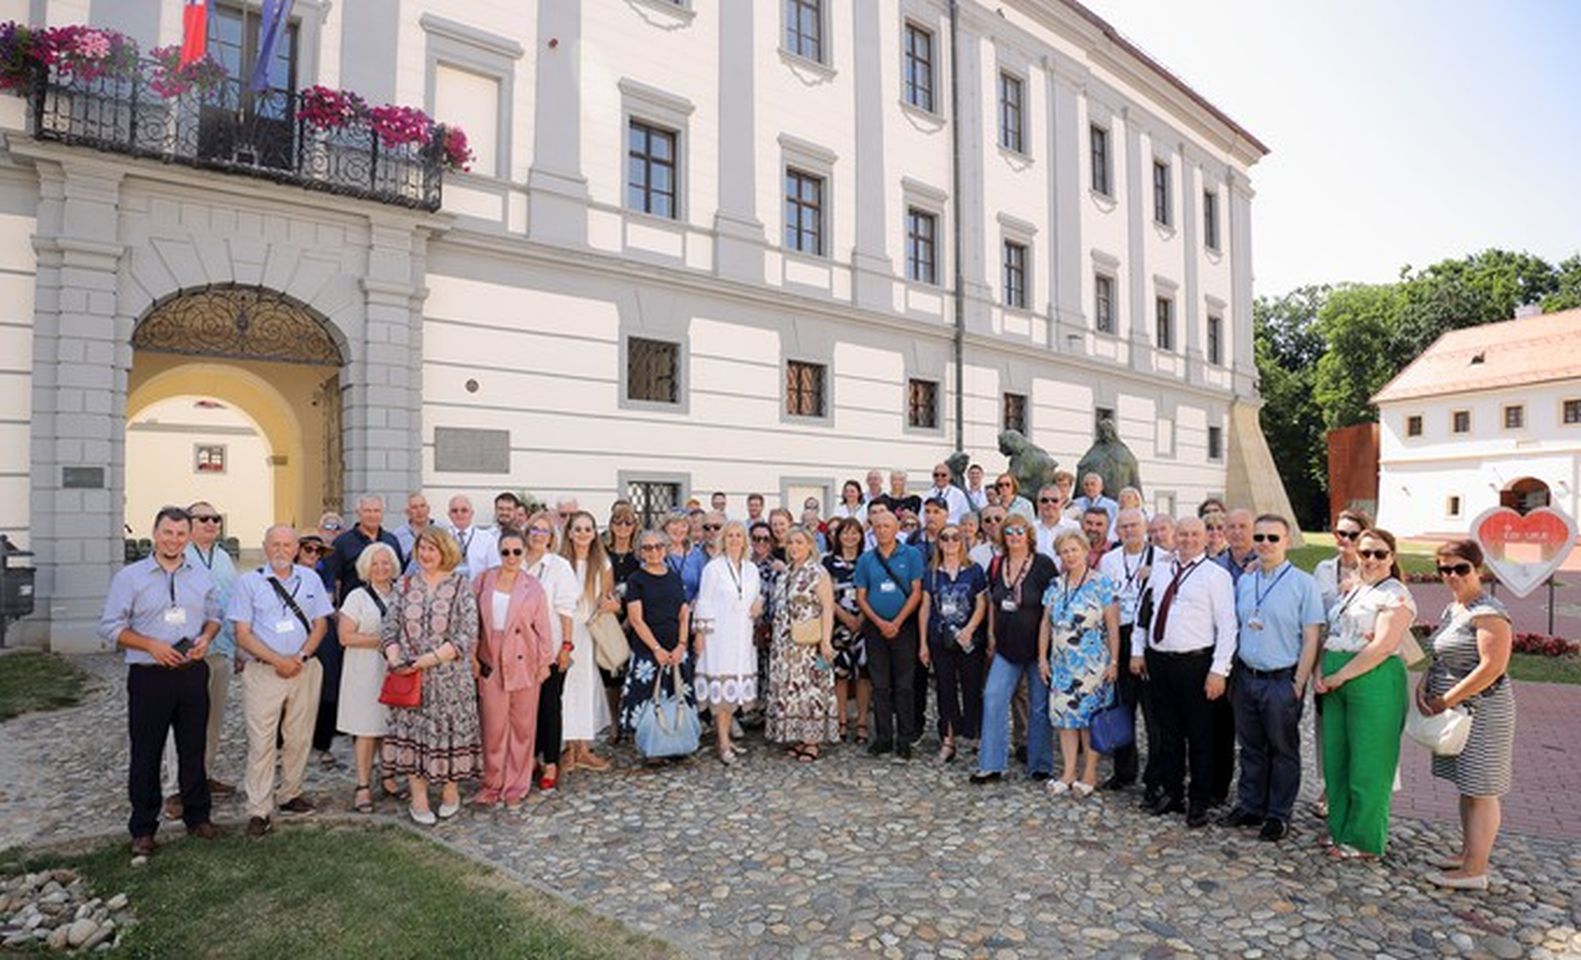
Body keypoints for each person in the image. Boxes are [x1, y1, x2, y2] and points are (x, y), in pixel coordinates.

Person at [99, 506, 222, 855]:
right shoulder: (130, 577)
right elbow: (109, 626)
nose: (174, 540)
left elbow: (214, 616)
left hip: (191, 673)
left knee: (193, 749)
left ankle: (198, 817)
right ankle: (143, 828)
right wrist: (149, 645)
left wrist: (206, 638)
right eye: (168, 533)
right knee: (146, 753)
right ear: (155, 533)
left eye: (181, 534)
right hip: (149, 676)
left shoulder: (200, 575)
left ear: (189, 537)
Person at [1418, 540, 1515, 891]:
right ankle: (1468, 854)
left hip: (1483, 710)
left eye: (1461, 568)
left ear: (1478, 569)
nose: (1452, 575)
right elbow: (1442, 657)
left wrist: (1446, 699)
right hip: (1458, 709)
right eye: (1445, 569)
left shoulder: (1488, 612)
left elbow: (1492, 667)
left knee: (1482, 789)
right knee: (1467, 785)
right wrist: (1425, 685)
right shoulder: (1455, 608)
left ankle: (1475, 869)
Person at [1315, 528, 1414, 860]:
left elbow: (1383, 646)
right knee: (1337, 759)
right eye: (1365, 553)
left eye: (1379, 553)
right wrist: (1321, 672)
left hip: (1372, 679)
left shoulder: (1395, 594)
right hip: (1336, 681)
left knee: (1369, 763)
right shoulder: (1355, 589)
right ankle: (1340, 829)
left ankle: (1364, 839)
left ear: (1392, 557)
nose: (1371, 559)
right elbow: (1332, 632)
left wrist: (1340, 675)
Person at [1224, 514, 1325, 842]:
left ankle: (1278, 814)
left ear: (1287, 542)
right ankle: (1251, 804)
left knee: (1283, 749)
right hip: (1246, 676)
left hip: (1282, 679)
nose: (1265, 543)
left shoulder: (1303, 584)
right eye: (1260, 537)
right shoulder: (1246, 580)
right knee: (1250, 747)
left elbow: (1311, 637)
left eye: (1273, 538)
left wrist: (1298, 682)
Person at [231, 525, 334, 837]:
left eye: (287, 545)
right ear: (265, 547)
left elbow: (321, 624)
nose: (281, 550)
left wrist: (300, 657)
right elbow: (242, 634)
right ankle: (259, 809)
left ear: (296, 549)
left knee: (299, 736)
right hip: (264, 672)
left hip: (304, 668)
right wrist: (279, 661)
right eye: (275, 544)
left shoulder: (310, 579)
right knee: (262, 742)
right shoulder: (248, 583)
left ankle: (290, 792)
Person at [1133, 516, 1236, 827]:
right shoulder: (1161, 569)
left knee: (1201, 735)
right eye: (1183, 534)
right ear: (1174, 537)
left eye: (1194, 534)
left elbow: (1227, 626)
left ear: (1205, 539)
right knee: (1168, 733)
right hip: (1160, 661)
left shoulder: (1216, 576)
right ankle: (1173, 793)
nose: (1188, 540)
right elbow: (1144, 612)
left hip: (1196, 664)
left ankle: (1199, 800)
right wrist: (1137, 650)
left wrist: (1219, 670)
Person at [380, 527, 481, 825]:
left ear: (445, 551)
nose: (425, 554)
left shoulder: (461, 585)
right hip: (411, 678)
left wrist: (432, 658)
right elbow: (389, 626)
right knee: (414, 736)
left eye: (432, 549)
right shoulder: (404, 584)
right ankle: (419, 798)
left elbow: (468, 632)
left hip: (450, 678)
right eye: (422, 548)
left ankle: (450, 791)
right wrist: (395, 657)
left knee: (450, 735)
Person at [159, 500, 238, 821]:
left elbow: (232, 604)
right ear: (188, 524)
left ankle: (202, 777)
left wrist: (238, 648)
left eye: (215, 518)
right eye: (203, 518)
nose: (211, 523)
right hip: (187, 654)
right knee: (182, 723)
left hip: (220, 650)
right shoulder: (179, 556)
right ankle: (176, 789)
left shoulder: (223, 558)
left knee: (213, 720)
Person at [472, 530, 556, 810]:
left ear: (523, 553)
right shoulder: (482, 581)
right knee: (493, 725)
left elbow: (543, 627)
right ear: (498, 552)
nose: (511, 557)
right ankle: (493, 783)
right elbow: (471, 622)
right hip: (491, 656)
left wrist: (544, 662)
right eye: (505, 551)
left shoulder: (533, 586)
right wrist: (472, 656)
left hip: (524, 657)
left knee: (522, 726)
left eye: (517, 552)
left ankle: (516, 785)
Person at [970, 514, 1057, 784]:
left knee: (1039, 706)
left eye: (1020, 531)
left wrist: (1046, 650)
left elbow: (1051, 608)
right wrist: (991, 634)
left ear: (1028, 534)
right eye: (1009, 532)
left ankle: (1040, 764)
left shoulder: (1043, 564)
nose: (1014, 536)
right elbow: (993, 602)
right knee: (993, 697)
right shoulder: (998, 564)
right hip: (1006, 646)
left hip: (1037, 647)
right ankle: (991, 764)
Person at [1041, 530, 1121, 796]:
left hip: (1092, 665)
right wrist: (1042, 658)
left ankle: (1090, 772)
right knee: (1065, 720)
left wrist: (1114, 661)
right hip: (1061, 664)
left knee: (1088, 721)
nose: (1070, 556)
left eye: (1074, 550)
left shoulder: (1102, 584)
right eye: (1064, 551)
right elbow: (1045, 624)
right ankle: (1068, 772)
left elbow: (1112, 626)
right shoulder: (1055, 585)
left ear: (1085, 551)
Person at [1309, 509, 1370, 818]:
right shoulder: (1323, 569)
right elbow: (1313, 617)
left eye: (1352, 534)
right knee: (1327, 727)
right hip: (1326, 656)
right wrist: (1315, 667)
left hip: (1360, 658)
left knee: (1356, 730)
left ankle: (1355, 793)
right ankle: (1330, 786)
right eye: (1340, 533)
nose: (1344, 539)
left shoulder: (1372, 568)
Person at [854, 510, 925, 760]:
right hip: (875, 628)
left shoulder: (912, 555)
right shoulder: (866, 559)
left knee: (904, 685)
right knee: (880, 685)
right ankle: (883, 737)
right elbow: (861, 596)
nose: (882, 530)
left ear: (897, 529)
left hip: (904, 627)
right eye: (878, 526)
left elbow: (917, 592)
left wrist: (896, 622)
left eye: (887, 526)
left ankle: (905, 738)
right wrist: (879, 622)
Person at [336, 542, 399, 815]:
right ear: (365, 567)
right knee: (366, 729)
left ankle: (388, 775)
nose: (381, 568)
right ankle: (363, 786)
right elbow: (345, 636)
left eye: (386, 563)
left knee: (389, 726)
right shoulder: (357, 597)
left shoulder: (402, 594)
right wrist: (384, 641)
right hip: (364, 669)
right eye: (375, 563)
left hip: (393, 670)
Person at [620, 530, 696, 759]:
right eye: (647, 547)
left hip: (676, 649)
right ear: (640, 552)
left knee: (676, 697)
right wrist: (656, 649)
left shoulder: (674, 577)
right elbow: (636, 619)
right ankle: (652, 748)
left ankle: (676, 743)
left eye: (658, 546)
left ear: (665, 549)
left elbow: (684, 613)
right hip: (648, 651)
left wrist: (682, 644)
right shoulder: (636, 580)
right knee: (648, 699)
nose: (654, 551)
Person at [767, 526, 839, 759]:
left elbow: (828, 608)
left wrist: (826, 641)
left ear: (810, 545)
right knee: (792, 690)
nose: (794, 547)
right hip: (785, 644)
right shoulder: (785, 573)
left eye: (799, 542)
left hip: (810, 644)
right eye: (790, 543)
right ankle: (799, 736)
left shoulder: (818, 572)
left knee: (811, 690)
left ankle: (812, 741)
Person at [694, 520, 763, 763]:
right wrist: (700, 634)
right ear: (723, 540)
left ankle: (727, 738)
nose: (734, 539)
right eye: (730, 535)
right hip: (718, 637)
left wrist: (759, 603)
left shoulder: (751, 569)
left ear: (745, 540)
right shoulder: (713, 568)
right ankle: (723, 742)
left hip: (742, 636)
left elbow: (756, 594)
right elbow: (704, 601)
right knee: (722, 690)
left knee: (735, 688)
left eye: (739, 535)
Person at [1096, 508, 1155, 791]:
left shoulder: (1162, 558)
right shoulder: (1109, 560)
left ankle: (1155, 775)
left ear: (1145, 527)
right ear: (1117, 531)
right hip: (1118, 634)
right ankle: (1124, 771)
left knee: (1153, 712)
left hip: (1148, 637)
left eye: (1134, 525)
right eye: (1124, 526)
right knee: (1121, 707)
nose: (1129, 530)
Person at [919, 523, 987, 764]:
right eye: (945, 538)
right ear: (938, 542)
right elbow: (925, 607)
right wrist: (923, 643)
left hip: (969, 639)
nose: (950, 542)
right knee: (945, 690)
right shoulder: (931, 572)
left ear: (962, 541)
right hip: (940, 639)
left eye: (955, 537)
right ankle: (948, 741)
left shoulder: (974, 570)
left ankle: (977, 737)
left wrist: (969, 630)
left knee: (972, 689)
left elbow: (981, 603)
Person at [522, 512, 579, 791]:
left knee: (549, 706)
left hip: (552, 646)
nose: (538, 535)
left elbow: (566, 610)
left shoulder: (559, 566)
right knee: (525, 707)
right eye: (533, 529)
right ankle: (530, 758)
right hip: (520, 649)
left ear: (551, 536)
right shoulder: (516, 561)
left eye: (544, 530)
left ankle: (552, 762)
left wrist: (566, 647)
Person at [558, 511, 616, 773]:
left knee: (586, 687)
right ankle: (568, 748)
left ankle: (583, 748)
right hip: (564, 631)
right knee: (566, 688)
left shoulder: (602, 563)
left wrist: (611, 605)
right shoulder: (559, 563)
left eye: (588, 529)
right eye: (578, 529)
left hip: (588, 631)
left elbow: (608, 598)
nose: (583, 533)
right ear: (569, 532)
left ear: (594, 534)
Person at [822, 517, 869, 744]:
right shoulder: (827, 562)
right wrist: (845, 617)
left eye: (855, 532)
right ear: (838, 536)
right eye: (845, 533)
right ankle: (840, 721)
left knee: (864, 675)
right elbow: (825, 595)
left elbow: (873, 591)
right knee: (840, 674)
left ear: (861, 536)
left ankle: (862, 723)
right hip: (838, 625)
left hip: (865, 623)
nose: (850, 537)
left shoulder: (868, 560)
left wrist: (860, 618)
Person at [603, 501, 641, 744]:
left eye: (628, 522)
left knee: (632, 672)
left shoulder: (639, 556)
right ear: (611, 525)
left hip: (634, 619)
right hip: (608, 619)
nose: (623, 527)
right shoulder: (603, 554)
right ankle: (615, 721)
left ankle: (632, 720)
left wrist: (629, 620)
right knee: (611, 673)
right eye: (618, 522)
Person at [448, 495, 499, 578]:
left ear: (472, 513)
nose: (459, 514)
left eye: (464, 510)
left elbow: (495, 569)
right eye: (454, 511)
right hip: (447, 585)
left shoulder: (487, 539)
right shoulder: (441, 538)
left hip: (479, 585)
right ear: (449, 514)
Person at [682, 511, 725, 602]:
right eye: (707, 527)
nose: (712, 531)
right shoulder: (690, 556)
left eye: (717, 527)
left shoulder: (735, 556)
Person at [1033, 485, 1081, 562]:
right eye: (1044, 500)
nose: (1050, 504)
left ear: (1061, 503)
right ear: (1038, 504)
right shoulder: (1031, 528)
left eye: (1054, 500)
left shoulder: (1074, 527)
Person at [393, 492, 438, 573]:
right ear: (407, 512)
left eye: (422, 506)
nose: (419, 511)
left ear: (428, 509)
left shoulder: (442, 530)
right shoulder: (398, 535)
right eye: (414, 507)